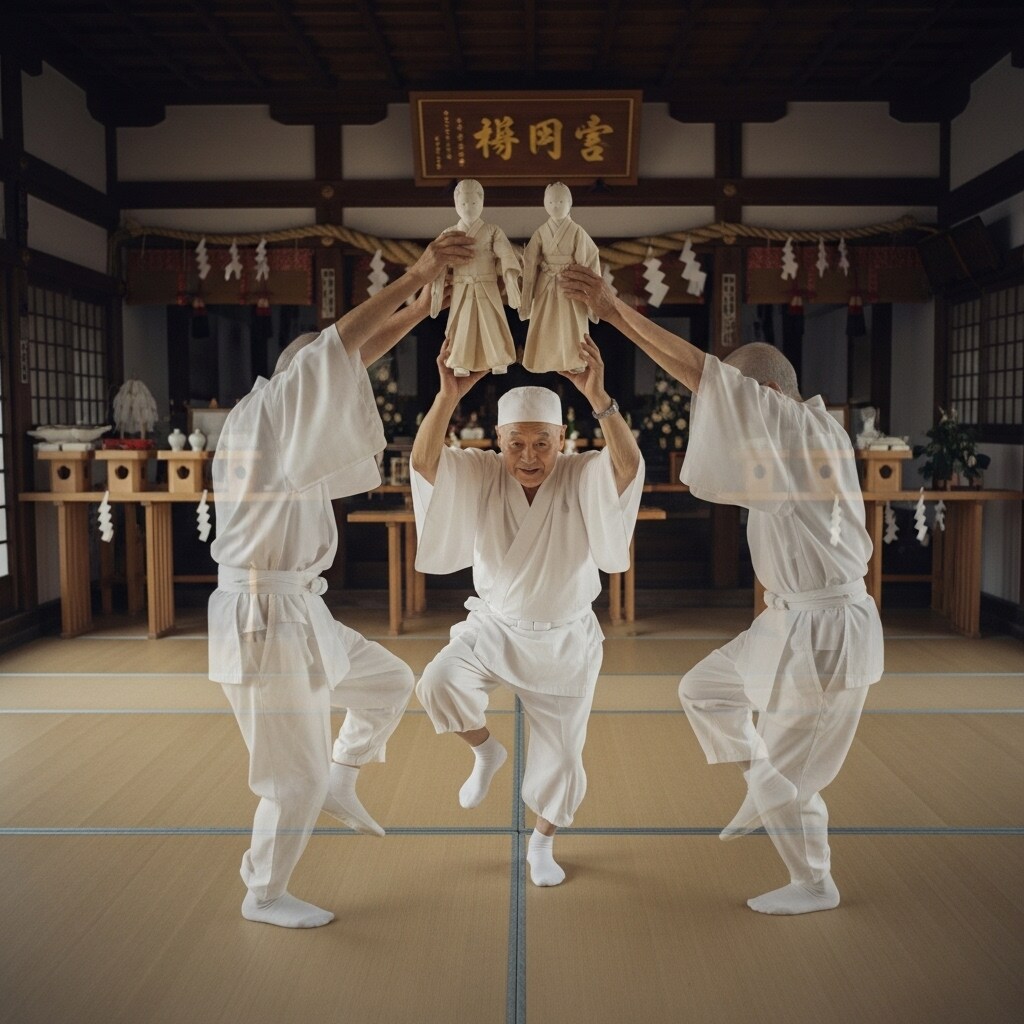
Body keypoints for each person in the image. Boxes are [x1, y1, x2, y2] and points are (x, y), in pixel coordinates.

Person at [559, 265, 884, 916]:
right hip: (787, 620)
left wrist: (613, 309)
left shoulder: (795, 429)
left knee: (800, 781)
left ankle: (814, 880)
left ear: (763, 394)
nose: (723, 415)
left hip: (826, 633)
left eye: (736, 402)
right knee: (705, 689)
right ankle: (764, 780)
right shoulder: (800, 441)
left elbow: (703, 373)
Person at [208, 231, 475, 929]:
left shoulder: (277, 421)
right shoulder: (270, 411)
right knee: (287, 779)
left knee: (387, 682)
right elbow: (340, 346)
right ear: (309, 389)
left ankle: (343, 777)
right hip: (263, 619)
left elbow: (344, 358)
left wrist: (424, 311)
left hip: (300, 610)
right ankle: (262, 894)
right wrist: (416, 275)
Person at [410, 336, 643, 886]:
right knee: (438, 683)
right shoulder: (483, 471)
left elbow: (627, 468)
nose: (530, 457)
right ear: (499, 440)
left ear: (563, 439)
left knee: (561, 758)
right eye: (517, 444)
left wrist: (600, 397)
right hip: (495, 627)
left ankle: (542, 843)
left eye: (543, 443)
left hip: (563, 639)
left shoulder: (582, 472)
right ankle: (486, 752)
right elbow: (424, 464)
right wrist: (446, 396)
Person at [430, 178, 521, 376]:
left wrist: (510, 277)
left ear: (482, 203)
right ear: (455, 205)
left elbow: (505, 253)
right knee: (463, 324)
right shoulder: (450, 233)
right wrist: (437, 284)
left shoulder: (492, 231)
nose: (468, 207)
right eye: (463, 203)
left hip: (486, 284)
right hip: (462, 286)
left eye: (473, 203)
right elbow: (438, 262)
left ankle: (498, 359)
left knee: (491, 322)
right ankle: (460, 361)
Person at [519, 182, 602, 374]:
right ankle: (542, 360)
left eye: (560, 201)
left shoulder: (577, 231)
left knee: (571, 323)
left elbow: (589, 257)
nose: (556, 205)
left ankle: (575, 360)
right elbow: (530, 260)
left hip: (569, 282)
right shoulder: (541, 232)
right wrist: (526, 299)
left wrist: (590, 295)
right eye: (551, 201)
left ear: (570, 202)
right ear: (545, 204)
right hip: (546, 281)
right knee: (546, 322)